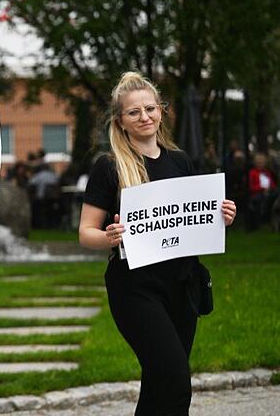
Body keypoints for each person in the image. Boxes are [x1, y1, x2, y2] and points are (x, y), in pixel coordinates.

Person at [78, 72, 236, 416]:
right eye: (134, 112)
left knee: (158, 384)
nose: (144, 117)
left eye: (150, 108)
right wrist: (107, 236)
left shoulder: (180, 161)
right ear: (120, 121)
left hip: (182, 284)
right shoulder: (109, 166)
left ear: (161, 111)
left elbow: (195, 216)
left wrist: (221, 214)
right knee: (176, 383)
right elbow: (85, 232)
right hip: (136, 288)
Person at [247, 152, 277, 229]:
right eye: (258, 163)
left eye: (262, 163)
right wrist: (262, 188)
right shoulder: (252, 173)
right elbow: (251, 187)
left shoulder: (266, 173)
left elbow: (273, 184)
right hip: (257, 195)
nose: (260, 165)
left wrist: (270, 188)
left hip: (268, 193)